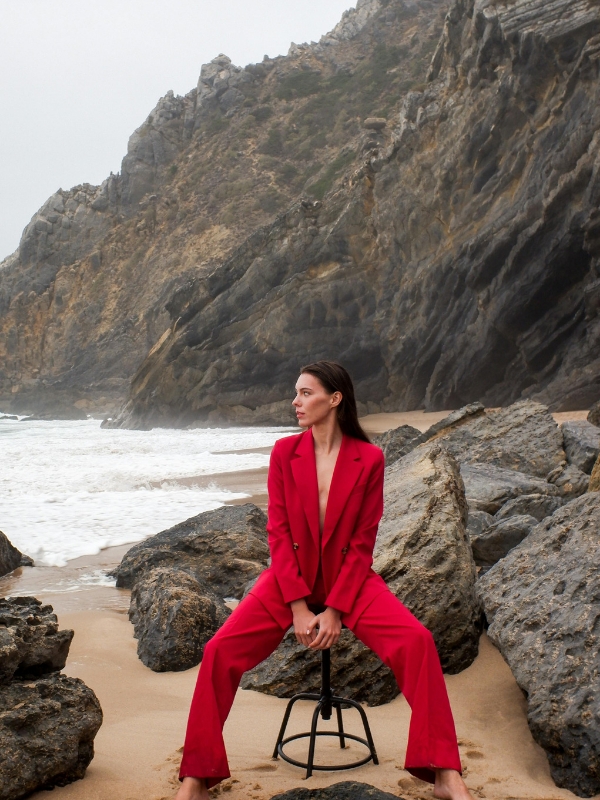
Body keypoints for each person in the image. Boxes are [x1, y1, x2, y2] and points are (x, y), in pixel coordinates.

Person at [174, 360, 474, 800]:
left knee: (418, 643)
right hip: (287, 581)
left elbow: (363, 540)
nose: (295, 402)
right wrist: (298, 606)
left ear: (334, 399)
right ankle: (195, 778)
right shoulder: (283, 453)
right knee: (219, 651)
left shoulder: (369, 458)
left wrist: (334, 609)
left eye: (305, 393)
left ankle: (446, 775)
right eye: (295, 393)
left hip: (349, 582)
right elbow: (277, 532)